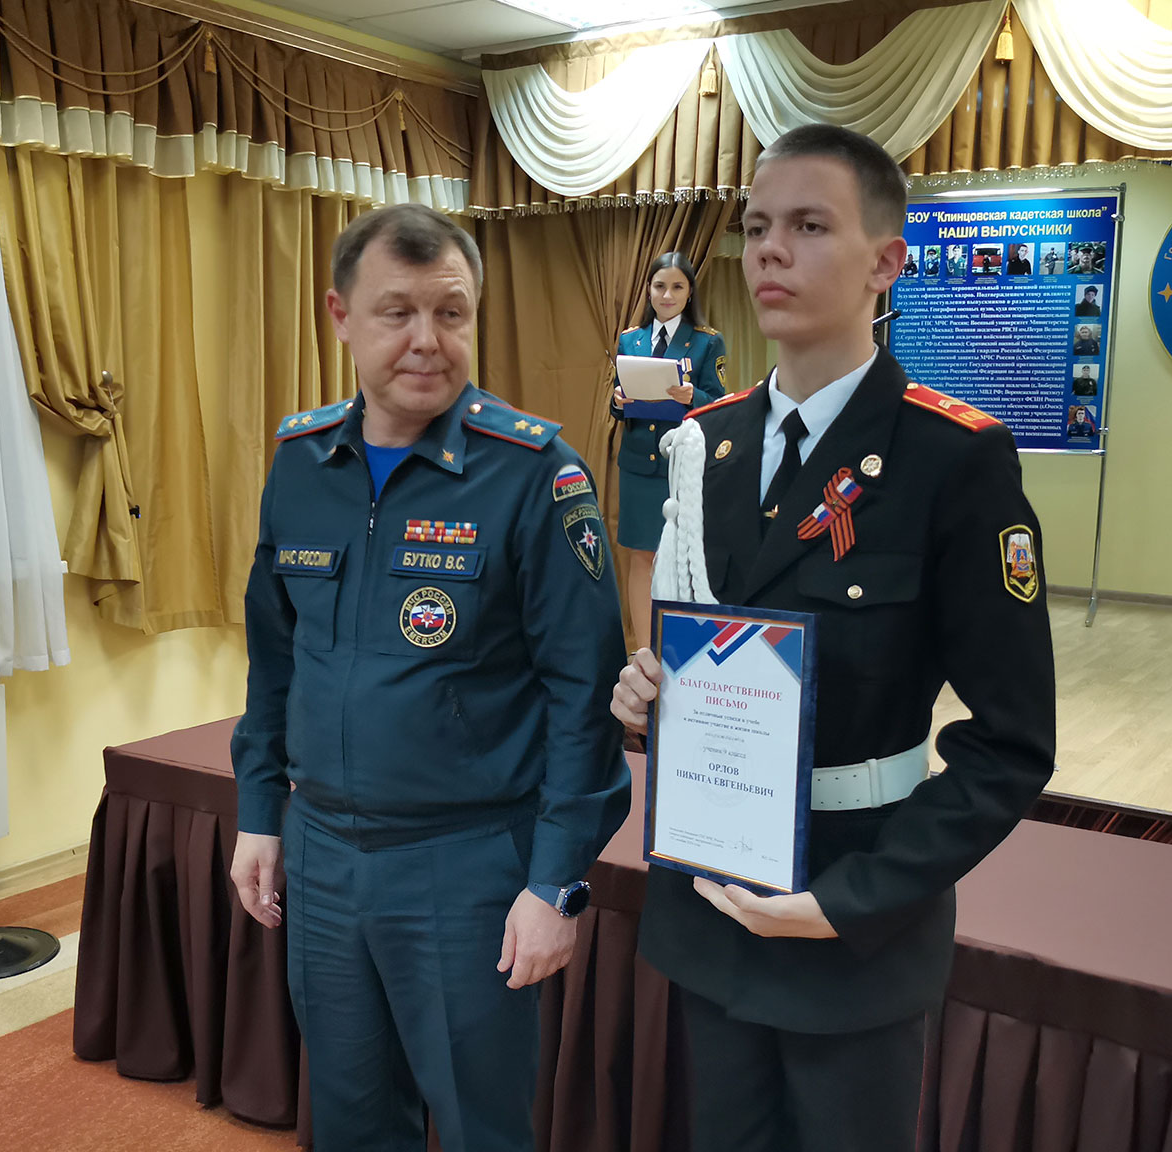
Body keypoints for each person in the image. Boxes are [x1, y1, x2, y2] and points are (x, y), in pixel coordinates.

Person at [609, 124, 1057, 1152]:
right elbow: (704, 650)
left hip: (852, 915)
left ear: (885, 262)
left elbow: (1012, 744)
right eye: (758, 226)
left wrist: (853, 903)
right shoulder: (706, 444)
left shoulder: (954, 459)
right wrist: (646, 697)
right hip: (712, 890)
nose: (770, 250)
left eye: (810, 226)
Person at [231, 203, 631, 1152]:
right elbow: (274, 660)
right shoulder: (301, 464)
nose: (427, 340)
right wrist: (258, 812)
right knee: (351, 1120)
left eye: (450, 313)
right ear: (340, 316)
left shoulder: (534, 473)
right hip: (323, 855)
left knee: (482, 1125)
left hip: (468, 866)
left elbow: (584, 698)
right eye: (396, 312)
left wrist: (556, 882)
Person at [613, 252, 727, 645]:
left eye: (677, 287)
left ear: (689, 292)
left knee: (683, 558)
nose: (667, 295)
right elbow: (618, 403)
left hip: (682, 466)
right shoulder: (630, 339)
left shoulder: (707, 341)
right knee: (640, 557)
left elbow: (719, 404)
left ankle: (680, 650)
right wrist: (618, 401)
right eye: (660, 286)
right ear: (648, 290)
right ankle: (645, 649)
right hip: (637, 465)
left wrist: (694, 395)